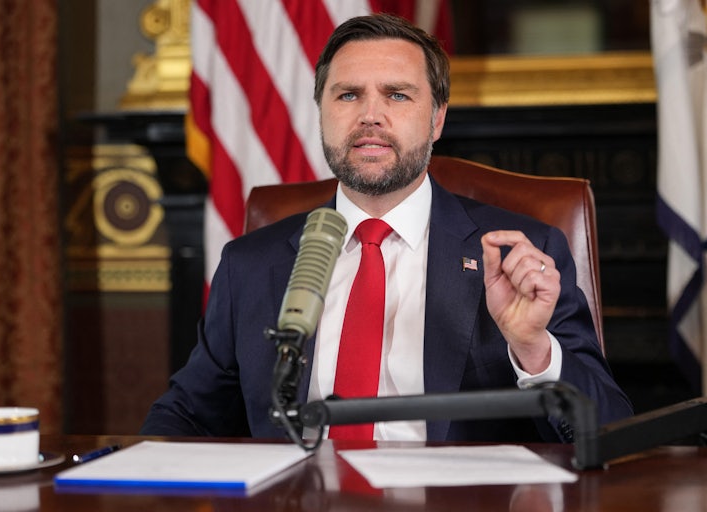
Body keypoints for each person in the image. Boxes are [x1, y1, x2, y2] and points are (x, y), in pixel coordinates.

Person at [141, 13, 633, 442]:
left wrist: (533, 349)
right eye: (348, 95)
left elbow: (609, 429)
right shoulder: (252, 264)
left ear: (437, 119)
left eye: (397, 95)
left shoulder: (518, 253)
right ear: (321, 113)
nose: (370, 116)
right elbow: (186, 417)